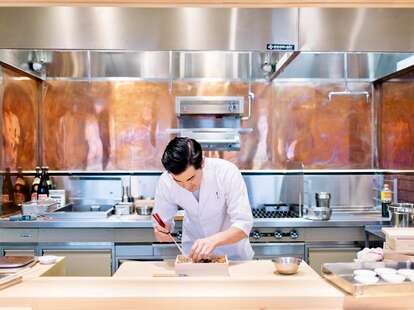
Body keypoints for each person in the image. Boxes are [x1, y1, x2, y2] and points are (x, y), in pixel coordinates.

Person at [152, 137, 254, 261]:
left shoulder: (227, 173)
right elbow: (162, 223)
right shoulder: (166, 181)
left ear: (202, 163)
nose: (186, 186)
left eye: (191, 179)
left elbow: (243, 225)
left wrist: (213, 241)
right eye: (178, 181)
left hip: (233, 256)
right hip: (193, 257)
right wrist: (161, 232)